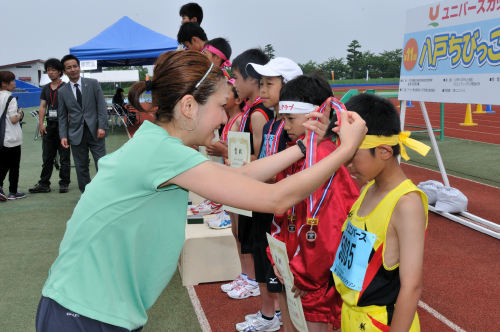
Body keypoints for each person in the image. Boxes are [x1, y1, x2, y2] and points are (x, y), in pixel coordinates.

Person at [35, 51, 367, 332]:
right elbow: (273, 198)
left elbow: (245, 174)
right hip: (84, 311)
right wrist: (343, 150)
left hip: (87, 305)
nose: (225, 116)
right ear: (190, 106)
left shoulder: (157, 144)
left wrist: (307, 146)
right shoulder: (161, 152)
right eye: (222, 105)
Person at [328, 93, 430, 332]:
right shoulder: (368, 189)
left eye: (352, 155)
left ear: (384, 151)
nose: (346, 164)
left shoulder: (406, 204)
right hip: (352, 316)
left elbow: (412, 286)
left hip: (380, 323)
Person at [269, 75, 360, 332]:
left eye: (290, 119)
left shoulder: (320, 158)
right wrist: (280, 259)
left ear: (315, 118)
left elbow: (328, 231)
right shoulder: (298, 152)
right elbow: (285, 214)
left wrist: (302, 273)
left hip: (313, 280)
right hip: (296, 270)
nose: (284, 126)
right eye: (283, 119)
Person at [235, 57, 303, 332]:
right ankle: (270, 316)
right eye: (260, 83)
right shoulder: (275, 124)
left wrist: (255, 173)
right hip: (263, 202)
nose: (262, 88)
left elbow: (286, 172)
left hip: (280, 209)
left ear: (287, 87)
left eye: (269, 83)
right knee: (266, 264)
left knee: (283, 274)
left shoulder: (291, 128)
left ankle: (276, 319)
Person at [225, 48, 273, 300]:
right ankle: (249, 278)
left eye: (235, 77)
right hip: (243, 182)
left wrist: (232, 161)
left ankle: (254, 282)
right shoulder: (250, 111)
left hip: (252, 188)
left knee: (255, 241)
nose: (234, 83)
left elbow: (260, 158)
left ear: (252, 78)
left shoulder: (257, 114)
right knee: (244, 235)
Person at [58, 54, 108, 194]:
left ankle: (104, 192)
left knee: (102, 164)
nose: (73, 69)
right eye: (69, 67)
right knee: (81, 166)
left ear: (79, 68)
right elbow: (62, 116)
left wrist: (101, 126)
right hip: (75, 134)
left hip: (96, 132)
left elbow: (101, 106)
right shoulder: (62, 91)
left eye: (75, 66)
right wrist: (63, 135)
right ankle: (86, 195)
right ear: (64, 71)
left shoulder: (93, 83)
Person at [29, 58, 71, 194]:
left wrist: (67, 126)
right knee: (47, 156)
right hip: (49, 126)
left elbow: (70, 108)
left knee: (64, 157)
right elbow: (42, 106)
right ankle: (44, 183)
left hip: (63, 126)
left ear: (60, 71)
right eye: (48, 70)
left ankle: (64, 183)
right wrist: (41, 124)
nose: (50, 72)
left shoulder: (66, 87)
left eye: (53, 70)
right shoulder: (46, 88)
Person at [0, 71, 25, 201]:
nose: (14, 83)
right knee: (14, 166)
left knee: (3, 164)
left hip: (1, 137)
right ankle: (13, 192)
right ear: (4, 83)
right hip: (11, 137)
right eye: (12, 81)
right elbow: (14, 119)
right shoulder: (10, 98)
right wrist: (20, 114)